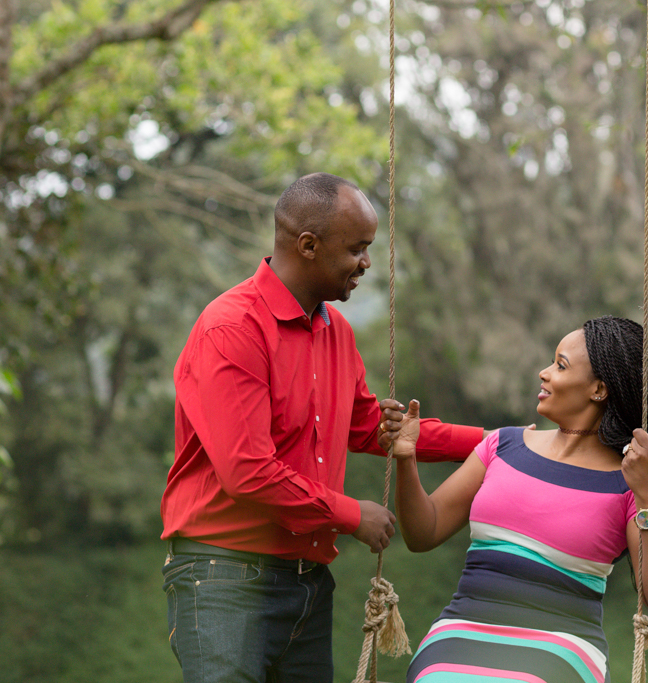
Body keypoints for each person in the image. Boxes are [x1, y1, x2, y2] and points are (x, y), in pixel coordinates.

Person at [160, 172, 484, 683]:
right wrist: (351, 514)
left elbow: (371, 428)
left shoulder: (336, 333)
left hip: (308, 582)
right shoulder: (232, 328)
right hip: (224, 578)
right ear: (308, 245)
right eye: (357, 248)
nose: (367, 263)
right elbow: (246, 470)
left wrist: (497, 444)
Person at [388, 315, 648, 683]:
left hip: (563, 646)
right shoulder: (504, 445)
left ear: (598, 389)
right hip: (462, 629)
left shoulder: (634, 478)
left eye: (560, 365)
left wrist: (647, 495)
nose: (543, 373)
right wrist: (406, 460)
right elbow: (424, 532)